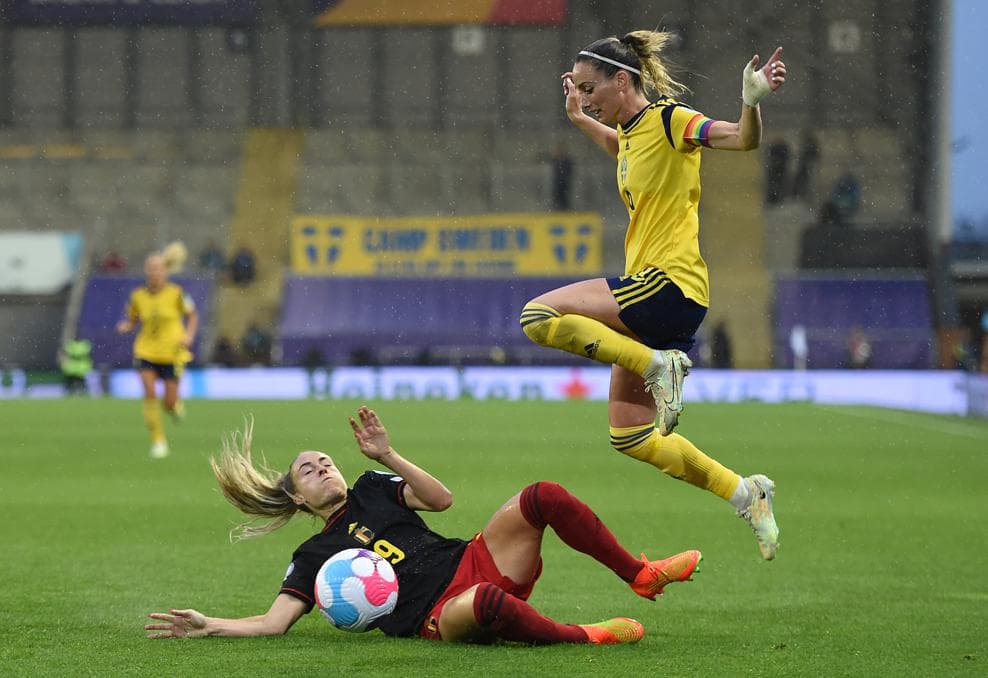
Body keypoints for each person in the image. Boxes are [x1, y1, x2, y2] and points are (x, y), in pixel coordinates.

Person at [518, 31, 784, 559]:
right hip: (662, 298)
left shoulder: (670, 119)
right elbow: (619, 146)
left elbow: (741, 139)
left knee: (537, 315)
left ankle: (659, 366)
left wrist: (750, 103)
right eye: (579, 88)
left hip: (668, 284)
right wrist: (578, 117)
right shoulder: (632, 136)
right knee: (632, 436)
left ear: (623, 80)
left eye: (591, 87)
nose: (586, 95)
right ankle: (745, 493)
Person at [145, 407, 702, 645]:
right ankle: (589, 635)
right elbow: (273, 624)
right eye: (309, 470)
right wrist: (209, 624)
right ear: (296, 496)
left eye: (326, 461)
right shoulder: (315, 557)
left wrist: (388, 456)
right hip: (435, 614)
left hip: (471, 559)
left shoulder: (368, 486)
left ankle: (641, 575)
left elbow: (441, 500)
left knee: (542, 497)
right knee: (486, 604)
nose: (323, 468)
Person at [115, 242, 198, 458]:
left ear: (165, 271)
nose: (155, 273)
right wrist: (127, 326)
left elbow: (192, 315)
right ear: (147, 272)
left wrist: (188, 335)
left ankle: (174, 407)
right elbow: (133, 318)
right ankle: (159, 442)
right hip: (146, 351)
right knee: (149, 393)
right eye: (151, 269)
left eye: (159, 269)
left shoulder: (177, 293)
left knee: (168, 403)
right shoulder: (137, 296)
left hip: (172, 352)